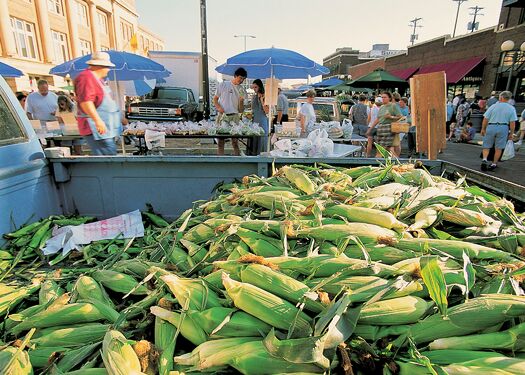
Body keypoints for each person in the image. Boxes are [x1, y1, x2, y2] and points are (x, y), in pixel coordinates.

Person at [74, 51, 121, 156]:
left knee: (110, 154)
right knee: (107, 159)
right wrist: (97, 121)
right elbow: (86, 102)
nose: (108, 70)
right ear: (100, 66)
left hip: (105, 128)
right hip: (96, 129)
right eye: (107, 67)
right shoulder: (86, 77)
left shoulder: (98, 79)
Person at [213, 67, 247, 156]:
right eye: (240, 78)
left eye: (243, 79)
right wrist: (219, 108)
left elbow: (241, 110)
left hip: (235, 116)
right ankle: (220, 161)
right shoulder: (223, 84)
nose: (241, 80)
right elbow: (215, 99)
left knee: (235, 142)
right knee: (221, 141)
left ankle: (237, 161)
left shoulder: (242, 90)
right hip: (223, 115)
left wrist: (241, 101)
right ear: (235, 76)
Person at [480, 91, 517, 171]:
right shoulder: (511, 108)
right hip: (503, 127)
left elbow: (485, 118)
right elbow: (512, 123)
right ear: (508, 99)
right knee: (499, 147)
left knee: (487, 145)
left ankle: (485, 159)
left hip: (491, 126)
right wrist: (512, 133)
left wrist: (483, 128)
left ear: (501, 97)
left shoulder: (493, 106)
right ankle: (494, 163)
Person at [367, 91, 403, 157]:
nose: (383, 99)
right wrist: (370, 129)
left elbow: (400, 116)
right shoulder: (382, 107)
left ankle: (393, 160)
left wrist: (390, 117)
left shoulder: (393, 106)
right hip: (381, 129)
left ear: (389, 98)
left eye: (385, 97)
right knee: (383, 148)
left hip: (389, 129)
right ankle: (394, 160)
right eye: (382, 97)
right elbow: (378, 119)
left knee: (386, 148)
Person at [250, 79, 269, 155]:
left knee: (262, 138)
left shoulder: (265, 96)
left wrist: (262, 100)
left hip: (262, 119)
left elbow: (267, 111)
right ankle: (253, 154)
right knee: (254, 138)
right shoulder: (254, 97)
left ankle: (262, 155)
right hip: (254, 119)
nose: (254, 89)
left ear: (260, 87)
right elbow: (252, 109)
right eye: (253, 87)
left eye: (256, 87)